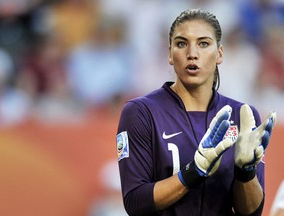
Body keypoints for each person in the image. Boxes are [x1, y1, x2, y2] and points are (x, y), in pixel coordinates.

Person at [116, 9, 276, 216]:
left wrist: (246, 173)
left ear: (219, 54)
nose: (192, 53)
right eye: (181, 43)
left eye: (203, 43)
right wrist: (195, 171)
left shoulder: (242, 115)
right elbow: (135, 201)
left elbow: (251, 213)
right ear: (170, 55)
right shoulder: (141, 112)